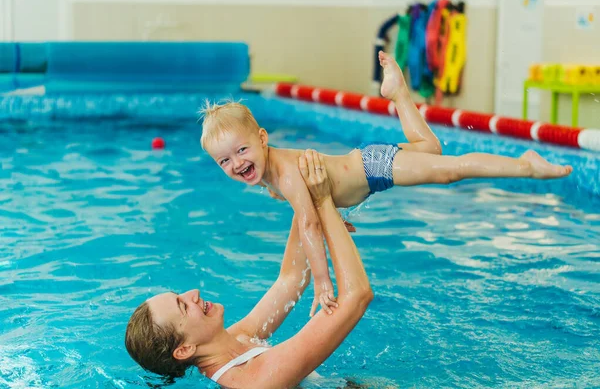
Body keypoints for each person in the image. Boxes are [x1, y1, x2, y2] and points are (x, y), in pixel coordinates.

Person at [199, 51, 573, 316]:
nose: (237, 163)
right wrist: (336, 219)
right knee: (431, 149)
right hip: (370, 167)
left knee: (449, 169)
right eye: (225, 160)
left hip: (371, 166)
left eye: (242, 150)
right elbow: (313, 208)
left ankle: (525, 165)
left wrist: (323, 283)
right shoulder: (268, 177)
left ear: (263, 138)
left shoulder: (284, 171)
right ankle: (397, 93)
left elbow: (309, 222)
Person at [125, 150, 374, 388]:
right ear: (185, 349)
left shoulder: (234, 340)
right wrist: (323, 203)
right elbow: (356, 297)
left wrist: (298, 190)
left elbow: (291, 279)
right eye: (183, 305)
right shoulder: (256, 379)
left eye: (179, 294)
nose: (193, 293)